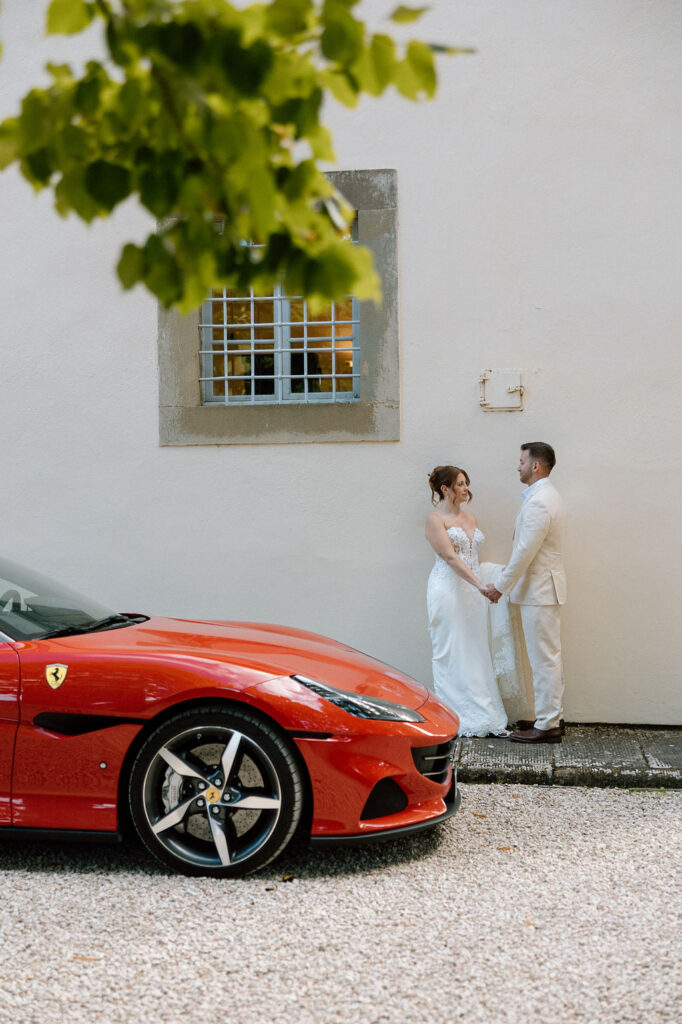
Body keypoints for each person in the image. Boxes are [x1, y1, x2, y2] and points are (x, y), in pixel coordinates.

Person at [486, 443, 567, 743]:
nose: (517, 466)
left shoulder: (540, 502)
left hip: (540, 591)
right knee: (549, 657)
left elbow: (524, 552)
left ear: (535, 466)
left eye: (521, 461)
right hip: (543, 591)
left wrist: (500, 586)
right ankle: (552, 718)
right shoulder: (545, 497)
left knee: (544, 659)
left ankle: (547, 725)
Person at [425, 465, 511, 737]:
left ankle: (484, 710)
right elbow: (451, 558)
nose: (466, 489)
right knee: (451, 648)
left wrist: (493, 581)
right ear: (445, 489)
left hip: (474, 594)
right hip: (448, 590)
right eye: (460, 484)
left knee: (475, 647)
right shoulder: (435, 520)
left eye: (466, 483)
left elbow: (475, 557)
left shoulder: (471, 519)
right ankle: (454, 712)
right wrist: (479, 586)